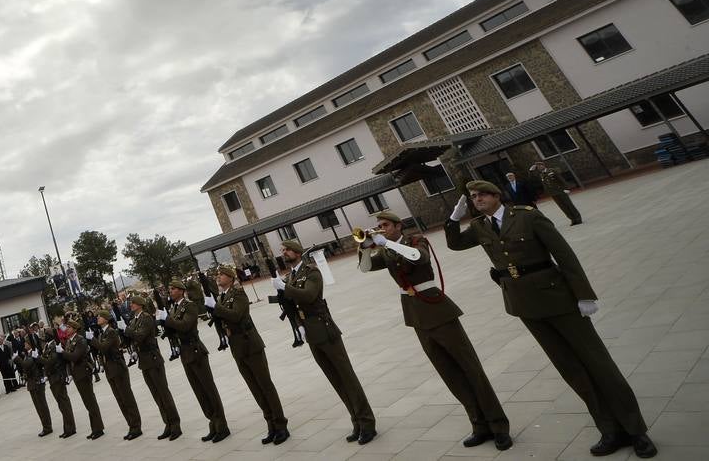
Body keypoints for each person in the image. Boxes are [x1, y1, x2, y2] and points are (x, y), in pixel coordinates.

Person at [446, 180, 656, 458]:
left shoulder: (526, 216)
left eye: (482, 194)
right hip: (524, 305)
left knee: (598, 363)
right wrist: (452, 219)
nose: (477, 199)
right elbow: (455, 244)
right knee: (571, 369)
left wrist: (584, 294)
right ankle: (609, 430)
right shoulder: (480, 226)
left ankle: (636, 430)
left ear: (496, 195)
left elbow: (564, 254)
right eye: (473, 197)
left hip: (558, 298)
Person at [358, 211, 510, 450]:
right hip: (415, 314)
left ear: (398, 225)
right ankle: (479, 424)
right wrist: (366, 247)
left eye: (385, 225)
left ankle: (498, 425)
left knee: (470, 368)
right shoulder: (386, 249)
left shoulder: (414, 240)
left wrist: (386, 243)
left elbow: (420, 258)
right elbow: (365, 268)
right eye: (378, 226)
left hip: (436, 307)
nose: (380, 229)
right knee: (450, 373)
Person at [278, 238, 376, 445]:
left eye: (287, 249)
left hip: (324, 329)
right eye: (282, 250)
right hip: (311, 334)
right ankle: (356, 420)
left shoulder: (311, 271)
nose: (284, 252)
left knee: (347, 377)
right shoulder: (290, 277)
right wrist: (299, 325)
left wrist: (284, 288)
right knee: (336, 380)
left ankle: (367, 422)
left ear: (297, 251)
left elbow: (310, 295)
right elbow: (292, 307)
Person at [208, 263, 288, 445]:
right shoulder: (222, 297)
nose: (218, 277)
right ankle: (271, 424)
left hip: (250, 344)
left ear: (231, 278)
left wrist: (216, 308)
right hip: (237, 346)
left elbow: (235, 315)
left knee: (265, 385)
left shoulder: (239, 294)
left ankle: (281, 424)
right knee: (255, 388)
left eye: (221, 275)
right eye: (217, 275)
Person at [159, 279, 229, 443]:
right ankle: (212, 421)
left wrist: (168, 320)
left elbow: (185, 326)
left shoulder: (189, 305)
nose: (170, 291)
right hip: (185, 352)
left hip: (195, 350)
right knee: (199, 391)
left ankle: (222, 425)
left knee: (208, 388)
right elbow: (174, 329)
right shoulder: (174, 308)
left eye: (173, 288)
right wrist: (164, 322)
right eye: (170, 288)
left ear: (181, 291)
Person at [123, 290, 181, 440]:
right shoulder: (134, 319)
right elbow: (130, 338)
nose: (131, 304)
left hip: (153, 358)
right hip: (144, 360)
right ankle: (167, 423)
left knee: (163, 393)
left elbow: (140, 336)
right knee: (156, 395)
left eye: (134, 302)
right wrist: (127, 331)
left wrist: (127, 330)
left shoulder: (146, 318)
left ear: (140, 305)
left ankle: (175, 424)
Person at [89, 306, 142, 440]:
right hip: (110, 369)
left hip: (117, 368)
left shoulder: (111, 332)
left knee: (127, 398)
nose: (97, 318)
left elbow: (104, 348)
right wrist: (101, 364)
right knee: (120, 399)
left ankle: (136, 427)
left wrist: (92, 340)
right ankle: (131, 425)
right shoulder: (102, 333)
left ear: (106, 319)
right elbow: (101, 352)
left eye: (100, 316)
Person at [60, 312, 105, 439]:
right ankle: (94, 428)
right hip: (76, 374)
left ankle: (99, 428)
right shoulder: (69, 341)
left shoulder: (80, 340)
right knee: (86, 402)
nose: (67, 329)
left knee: (90, 401)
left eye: (69, 327)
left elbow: (74, 357)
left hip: (83, 373)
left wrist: (62, 352)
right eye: (67, 327)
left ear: (74, 329)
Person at [39, 324, 76, 438]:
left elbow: (51, 362)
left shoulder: (54, 345)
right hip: (52, 378)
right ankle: (67, 427)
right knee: (61, 403)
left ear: (50, 336)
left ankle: (70, 428)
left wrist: (39, 358)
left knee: (64, 402)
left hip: (57, 377)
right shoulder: (47, 346)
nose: (43, 336)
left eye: (45, 334)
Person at [18, 335, 54, 436]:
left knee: (41, 406)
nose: (24, 344)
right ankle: (45, 425)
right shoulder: (28, 354)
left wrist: (17, 359)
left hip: (37, 382)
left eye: (26, 343)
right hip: (32, 383)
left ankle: (47, 427)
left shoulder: (34, 353)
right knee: (38, 407)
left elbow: (27, 365)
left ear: (29, 344)